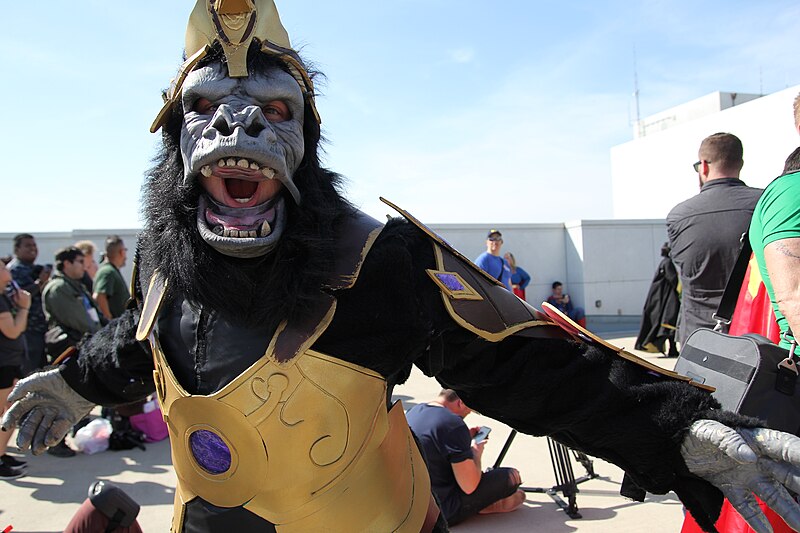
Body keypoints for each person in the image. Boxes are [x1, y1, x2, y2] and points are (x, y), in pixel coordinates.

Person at [6, 3, 800, 532]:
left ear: (306, 145)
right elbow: (138, 340)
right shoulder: (164, 264)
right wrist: (77, 381)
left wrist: (673, 424)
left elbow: (524, 363)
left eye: (273, 110)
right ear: (177, 142)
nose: (236, 125)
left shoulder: (374, 260)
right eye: (205, 109)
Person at [667, 133, 762, 345]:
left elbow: (683, 272)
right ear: (740, 164)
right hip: (753, 338)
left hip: (697, 339)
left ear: (703, 166)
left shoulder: (678, 215)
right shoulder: (765, 205)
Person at [406, 389, 524, 525]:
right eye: (470, 410)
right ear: (461, 402)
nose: (468, 413)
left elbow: (433, 443)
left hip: (413, 505)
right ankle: (483, 507)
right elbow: (470, 486)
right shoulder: (453, 424)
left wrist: (463, 439)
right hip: (443, 510)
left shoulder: (413, 412)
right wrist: (476, 453)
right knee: (511, 477)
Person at [0, 260, 30, 480]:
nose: (6, 270)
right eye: (2, 268)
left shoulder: (4, 297)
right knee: (5, 411)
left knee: (8, 408)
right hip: (3, 364)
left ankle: (2, 454)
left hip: (9, 362)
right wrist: (25, 307)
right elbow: (13, 330)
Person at [7, 234, 49, 375]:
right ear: (17, 249)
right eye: (27, 245)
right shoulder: (14, 270)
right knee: (29, 372)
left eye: (34, 245)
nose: (32, 249)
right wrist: (39, 283)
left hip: (40, 329)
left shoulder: (34, 269)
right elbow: (18, 296)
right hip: (27, 330)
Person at [635, 243, 680, 357]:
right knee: (669, 326)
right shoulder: (668, 263)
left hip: (663, 300)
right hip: (668, 300)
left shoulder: (663, 263)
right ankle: (672, 349)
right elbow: (674, 280)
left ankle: (672, 349)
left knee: (668, 327)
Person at [93, 236, 130, 321]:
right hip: (115, 328)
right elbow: (99, 296)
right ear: (122, 252)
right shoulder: (107, 272)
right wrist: (109, 320)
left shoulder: (112, 270)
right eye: (125, 250)